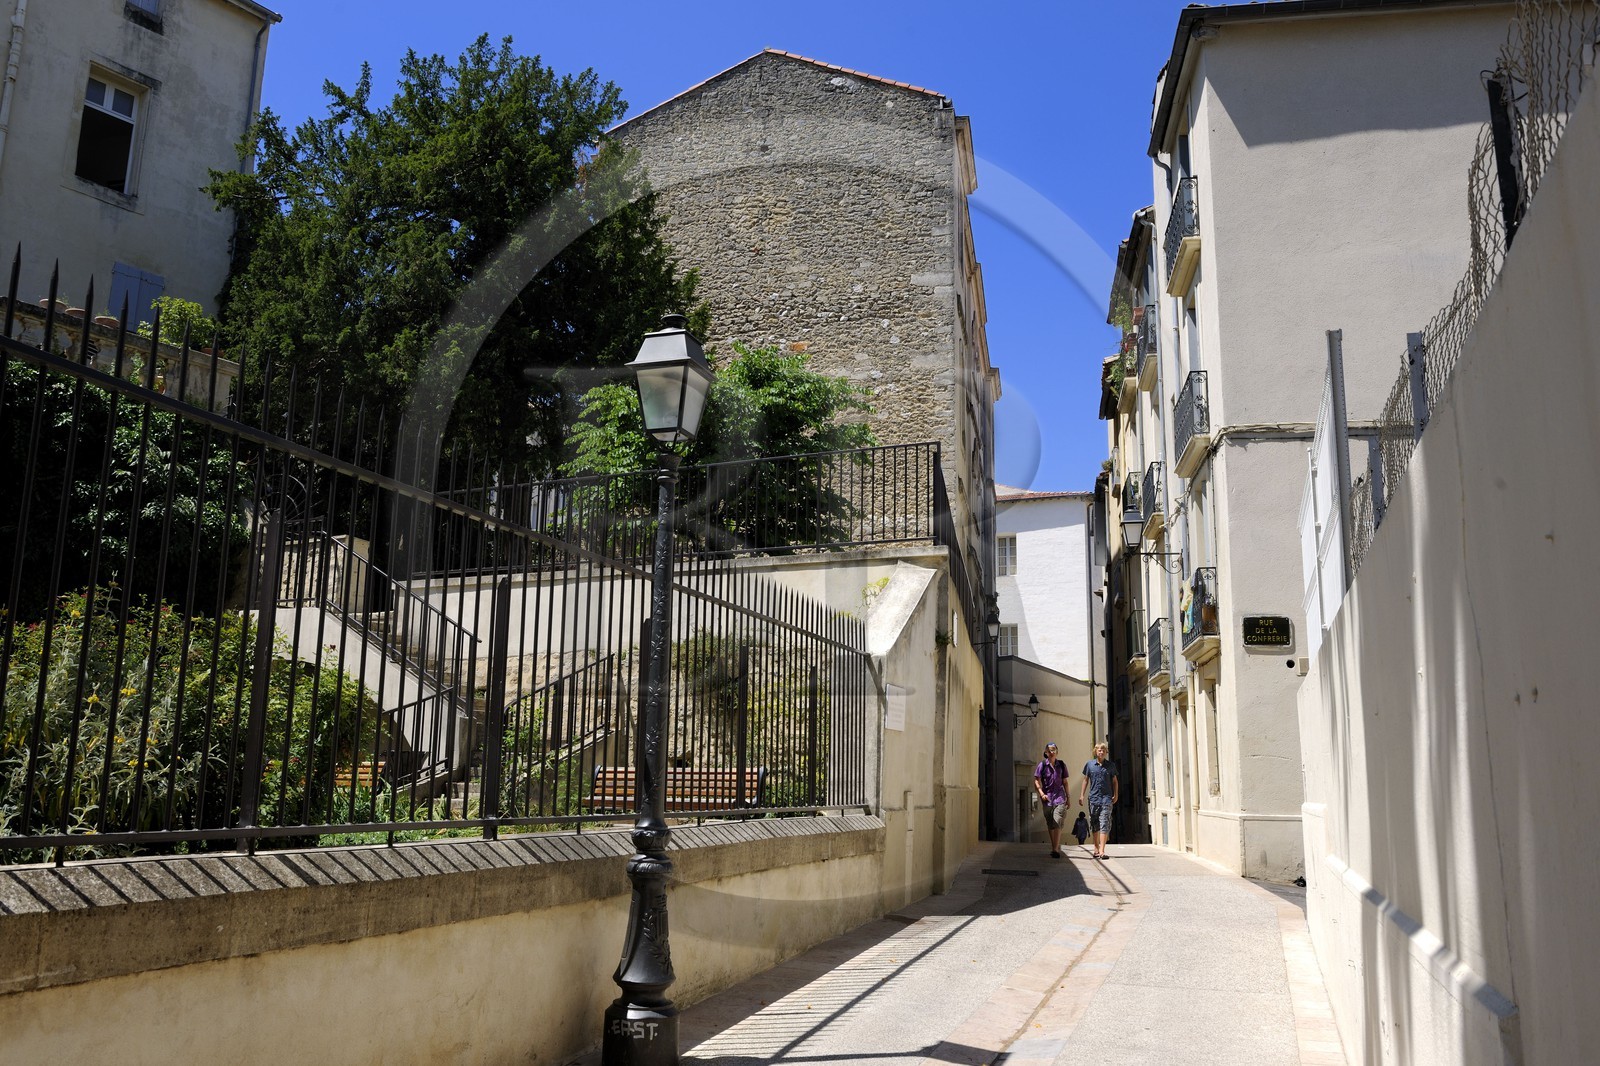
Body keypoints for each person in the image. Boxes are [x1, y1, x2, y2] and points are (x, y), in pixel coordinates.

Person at [1078, 741, 1119, 859]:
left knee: (1104, 822)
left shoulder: (1111, 766)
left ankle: (1102, 850)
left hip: (1106, 799)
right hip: (1093, 799)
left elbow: (1115, 781)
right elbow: (1085, 780)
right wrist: (1082, 795)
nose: (1101, 752)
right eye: (1099, 750)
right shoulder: (1089, 765)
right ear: (1095, 752)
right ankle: (1096, 848)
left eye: (1103, 750)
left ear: (1106, 752)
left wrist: (1116, 795)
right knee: (1094, 824)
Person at [1033, 742, 1070, 859]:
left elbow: (1065, 782)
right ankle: (1054, 847)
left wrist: (1068, 798)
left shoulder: (1062, 765)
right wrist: (1041, 793)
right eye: (1049, 750)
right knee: (1050, 823)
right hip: (1047, 798)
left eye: (1053, 750)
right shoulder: (1042, 765)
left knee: (1057, 820)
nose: (1051, 752)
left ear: (1057, 752)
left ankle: (1055, 849)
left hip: (1060, 797)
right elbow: (1036, 780)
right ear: (1046, 753)